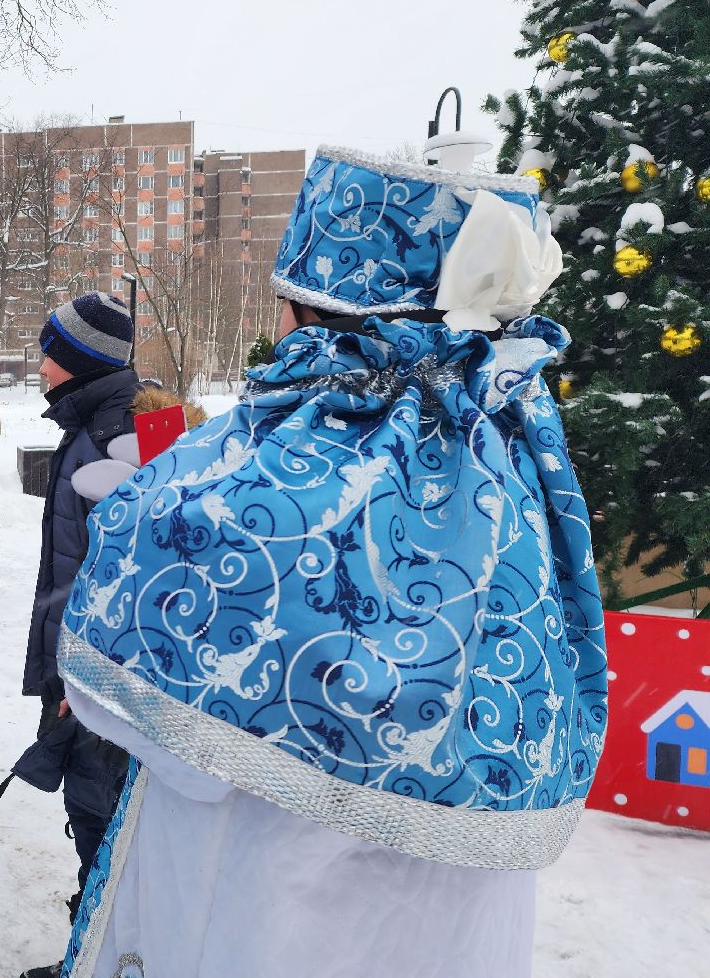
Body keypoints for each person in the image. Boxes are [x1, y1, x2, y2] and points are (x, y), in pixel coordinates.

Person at [55, 148, 608, 976]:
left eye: (283, 308)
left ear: (318, 324)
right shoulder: (514, 476)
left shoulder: (271, 501)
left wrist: (173, 515)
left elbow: (149, 724)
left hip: (259, 915)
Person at [15, 292, 207, 978]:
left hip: (114, 678)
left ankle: (114, 960)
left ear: (76, 361)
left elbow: (158, 570)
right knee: (95, 816)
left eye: (48, 351)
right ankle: (95, 952)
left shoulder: (135, 430)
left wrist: (82, 675)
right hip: (86, 669)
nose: (39, 365)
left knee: (108, 817)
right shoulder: (89, 423)